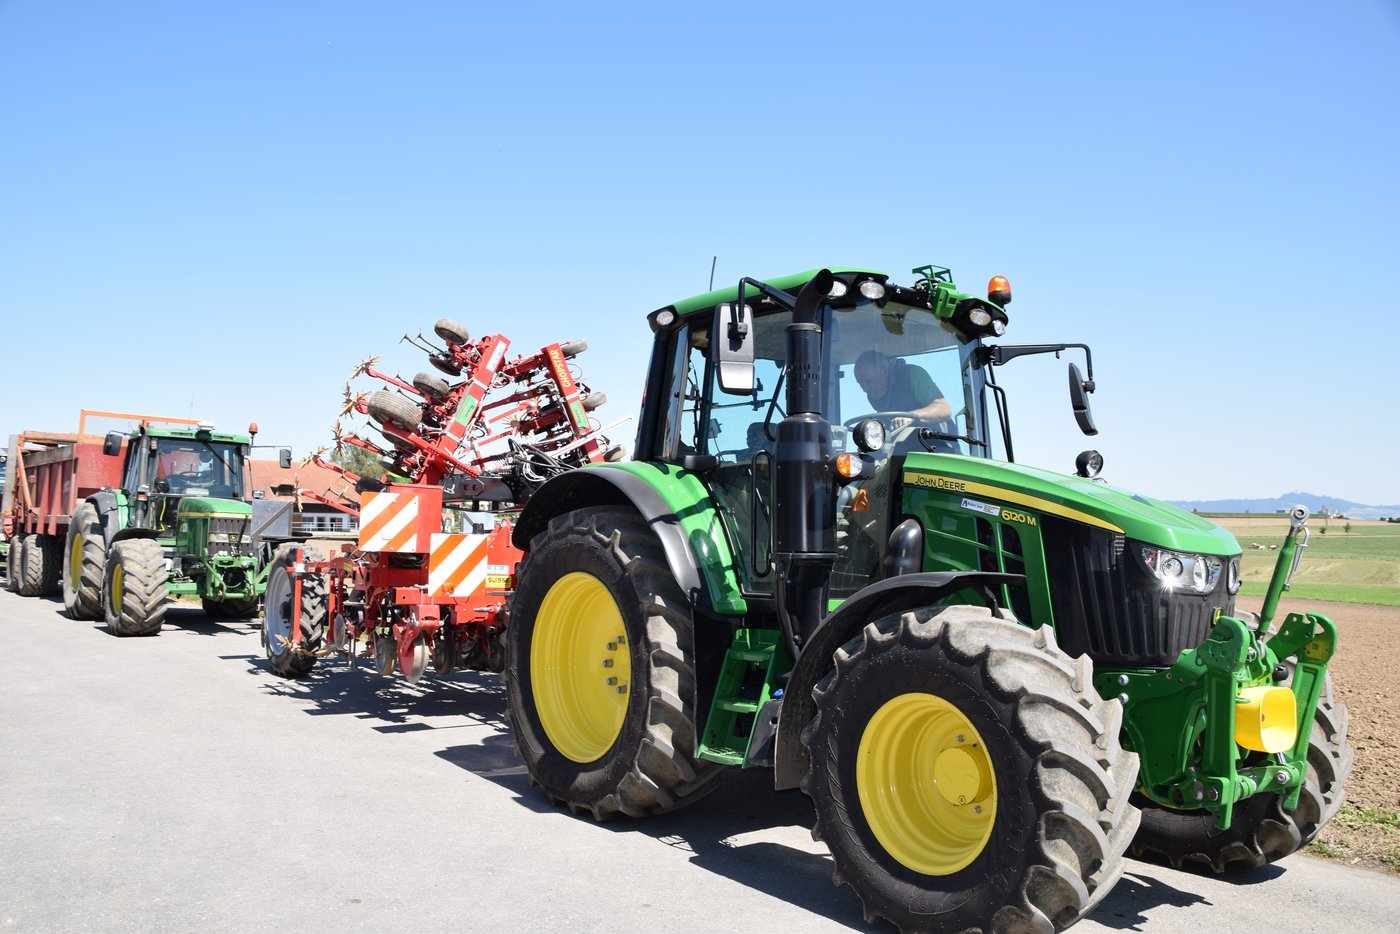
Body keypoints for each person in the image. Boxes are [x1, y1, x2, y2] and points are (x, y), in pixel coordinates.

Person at [853, 350, 951, 430]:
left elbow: (944, 410)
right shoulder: (872, 395)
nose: (865, 388)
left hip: (938, 445)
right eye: (860, 383)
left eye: (869, 381)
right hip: (905, 446)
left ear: (884, 371)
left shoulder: (912, 375)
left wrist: (911, 416)